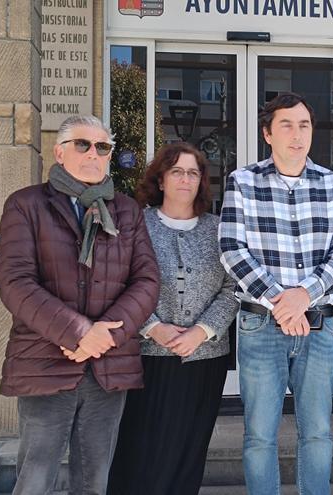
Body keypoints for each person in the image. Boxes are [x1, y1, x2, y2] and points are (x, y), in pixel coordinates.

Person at [0, 115, 160, 495]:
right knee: (36, 478)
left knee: (94, 480)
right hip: (46, 361)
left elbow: (147, 280)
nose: (93, 153)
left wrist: (104, 335)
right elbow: (16, 283)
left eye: (103, 147)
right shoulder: (26, 205)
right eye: (82, 144)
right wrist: (79, 332)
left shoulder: (126, 211)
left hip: (108, 363)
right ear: (59, 152)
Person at [218, 92, 333, 495]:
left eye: (304, 125)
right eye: (286, 125)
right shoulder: (242, 182)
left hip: (318, 326)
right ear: (267, 133)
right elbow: (231, 249)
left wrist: (304, 295)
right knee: (260, 435)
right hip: (261, 324)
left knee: (317, 433)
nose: (297, 135)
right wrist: (282, 301)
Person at [107, 142, 238, 494]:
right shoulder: (136, 224)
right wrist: (153, 327)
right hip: (146, 356)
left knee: (188, 447)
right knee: (140, 446)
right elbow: (119, 282)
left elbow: (232, 289)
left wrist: (202, 331)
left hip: (203, 357)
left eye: (192, 173)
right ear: (161, 179)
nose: (185, 179)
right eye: (176, 171)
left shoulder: (220, 228)